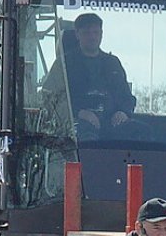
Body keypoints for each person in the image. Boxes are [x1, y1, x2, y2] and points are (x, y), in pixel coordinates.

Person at [51, 12, 136, 140]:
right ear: (77, 34)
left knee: (143, 133)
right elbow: (50, 98)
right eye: (86, 33)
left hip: (112, 122)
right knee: (86, 138)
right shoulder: (63, 64)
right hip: (78, 126)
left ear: (101, 34)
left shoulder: (113, 63)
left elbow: (127, 97)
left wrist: (123, 112)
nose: (92, 37)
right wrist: (79, 113)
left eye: (96, 33)